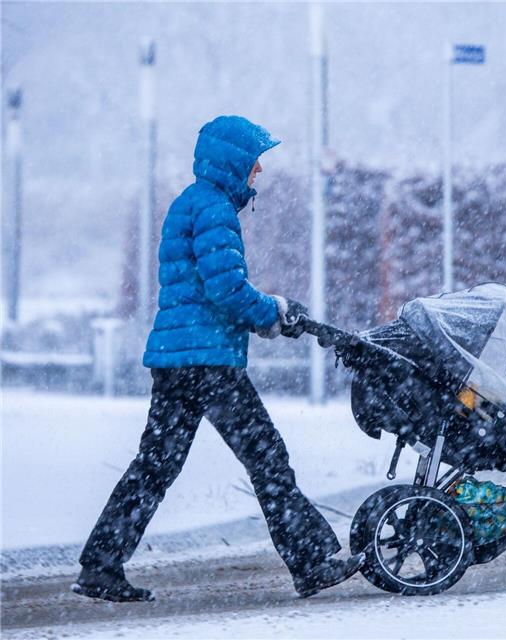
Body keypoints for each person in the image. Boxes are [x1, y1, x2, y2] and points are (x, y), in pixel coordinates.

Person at [71, 115, 364, 603]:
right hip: (207, 363)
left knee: (155, 465)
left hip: (176, 359)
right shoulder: (214, 210)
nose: (259, 173)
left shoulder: (189, 203)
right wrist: (275, 313)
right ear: (233, 163)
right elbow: (226, 288)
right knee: (267, 456)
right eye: (255, 163)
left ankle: (100, 565)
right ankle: (311, 561)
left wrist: (269, 313)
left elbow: (205, 287)